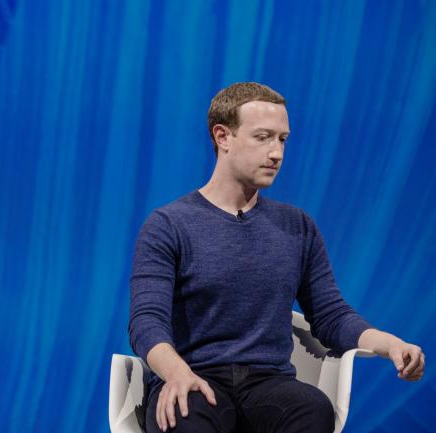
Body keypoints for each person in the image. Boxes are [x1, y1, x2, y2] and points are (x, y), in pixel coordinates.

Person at [128, 82, 425, 433]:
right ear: (222, 137)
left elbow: (330, 316)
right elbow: (147, 321)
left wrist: (389, 344)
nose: (277, 153)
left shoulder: (297, 226)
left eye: (282, 139)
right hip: (193, 377)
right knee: (183, 416)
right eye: (263, 137)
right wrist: (177, 373)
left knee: (312, 409)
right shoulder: (168, 225)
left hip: (267, 384)